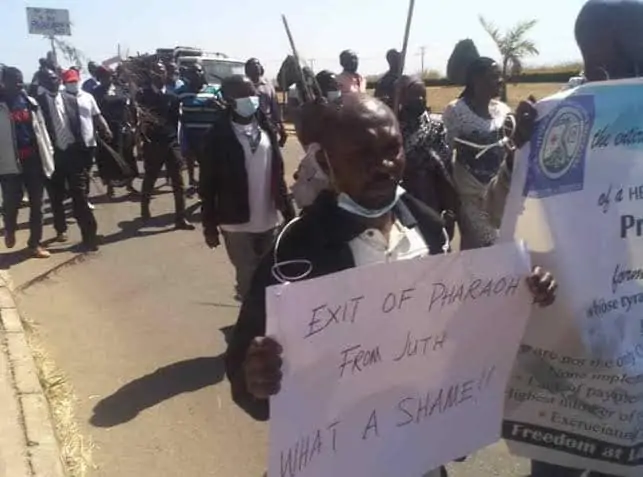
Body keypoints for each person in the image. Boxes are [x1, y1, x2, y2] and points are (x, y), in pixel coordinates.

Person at [223, 93, 557, 477]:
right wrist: (256, 379)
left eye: (392, 149)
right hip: (335, 460)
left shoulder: (429, 228)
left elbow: (453, 327)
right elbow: (246, 376)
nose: (383, 165)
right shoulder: (294, 253)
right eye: (362, 154)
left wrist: (517, 297)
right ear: (325, 162)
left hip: (419, 451)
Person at [483, 2, 643, 476]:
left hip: (633, 339)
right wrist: (519, 159)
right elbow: (499, 212)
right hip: (569, 343)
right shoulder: (560, 122)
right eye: (628, 58)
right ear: (596, 58)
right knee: (560, 463)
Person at [199, 75, 295, 302]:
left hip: (269, 219)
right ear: (229, 99)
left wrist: (288, 212)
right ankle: (250, 319)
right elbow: (207, 185)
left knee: (271, 276)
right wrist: (209, 226)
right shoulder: (217, 136)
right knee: (248, 279)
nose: (251, 98)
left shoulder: (266, 128)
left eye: (252, 93)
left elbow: (278, 173)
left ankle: (268, 318)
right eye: (244, 94)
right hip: (235, 222)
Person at [38, 68, 112, 251]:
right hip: (51, 156)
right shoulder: (36, 103)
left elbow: (81, 125)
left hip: (73, 154)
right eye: (49, 79)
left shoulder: (71, 100)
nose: (53, 82)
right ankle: (60, 228)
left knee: (79, 195)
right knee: (56, 196)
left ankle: (89, 235)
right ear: (42, 83)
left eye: (55, 78)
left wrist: (84, 150)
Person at [442, 57, 512, 250]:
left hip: (500, 194)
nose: (500, 81)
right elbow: (445, 153)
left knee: (494, 246)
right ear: (476, 80)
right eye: (493, 76)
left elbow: (512, 148)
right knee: (485, 245)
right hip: (470, 195)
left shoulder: (503, 111)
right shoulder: (456, 111)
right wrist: (448, 199)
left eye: (500, 76)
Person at [0, 67, 54, 258]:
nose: (19, 84)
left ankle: (34, 244)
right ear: (4, 82)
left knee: (37, 204)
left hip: (33, 161)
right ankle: (10, 229)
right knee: (11, 204)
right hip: (9, 164)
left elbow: (41, 130)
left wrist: (48, 152)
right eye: (15, 80)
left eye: (21, 80)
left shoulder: (30, 103)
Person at [396, 75, 459, 239]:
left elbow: (445, 165)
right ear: (401, 97)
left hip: (430, 194)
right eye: (414, 95)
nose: (420, 99)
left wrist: (450, 206)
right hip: (403, 196)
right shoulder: (392, 127)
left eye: (423, 95)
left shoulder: (436, 127)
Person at [136, 62, 194, 230]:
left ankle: (180, 218)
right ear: (151, 74)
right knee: (150, 178)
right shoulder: (142, 95)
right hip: (152, 144)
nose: (159, 74)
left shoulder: (172, 97)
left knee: (178, 182)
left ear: (166, 74)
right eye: (156, 71)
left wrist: (178, 143)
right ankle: (144, 211)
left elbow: (176, 122)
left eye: (162, 71)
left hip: (171, 143)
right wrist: (140, 143)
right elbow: (138, 121)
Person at [92, 66, 139, 197]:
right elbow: (93, 113)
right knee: (108, 159)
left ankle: (130, 185)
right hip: (106, 130)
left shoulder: (121, 88)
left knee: (128, 156)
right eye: (103, 77)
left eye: (109, 76)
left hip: (123, 128)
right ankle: (110, 188)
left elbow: (130, 105)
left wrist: (132, 124)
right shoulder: (95, 92)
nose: (106, 79)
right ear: (99, 78)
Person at [176, 62, 222, 190]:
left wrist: (218, 105)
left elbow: (224, 109)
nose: (196, 74)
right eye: (192, 72)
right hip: (190, 134)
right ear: (188, 75)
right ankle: (193, 181)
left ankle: (204, 188)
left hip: (209, 134)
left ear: (203, 73)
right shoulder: (182, 91)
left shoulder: (213, 90)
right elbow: (173, 108)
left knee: (206, 164)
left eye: (199, 71)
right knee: (191, 159)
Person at [245, 58, 287, 147]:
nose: (257, 66)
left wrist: (281, 127)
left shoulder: (268, 85)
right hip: (248, 126)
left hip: (268, 125)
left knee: (272, 151)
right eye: (253, 65)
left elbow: (275, 106)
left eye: (258, 64)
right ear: (247, 70)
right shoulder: (243, 85)